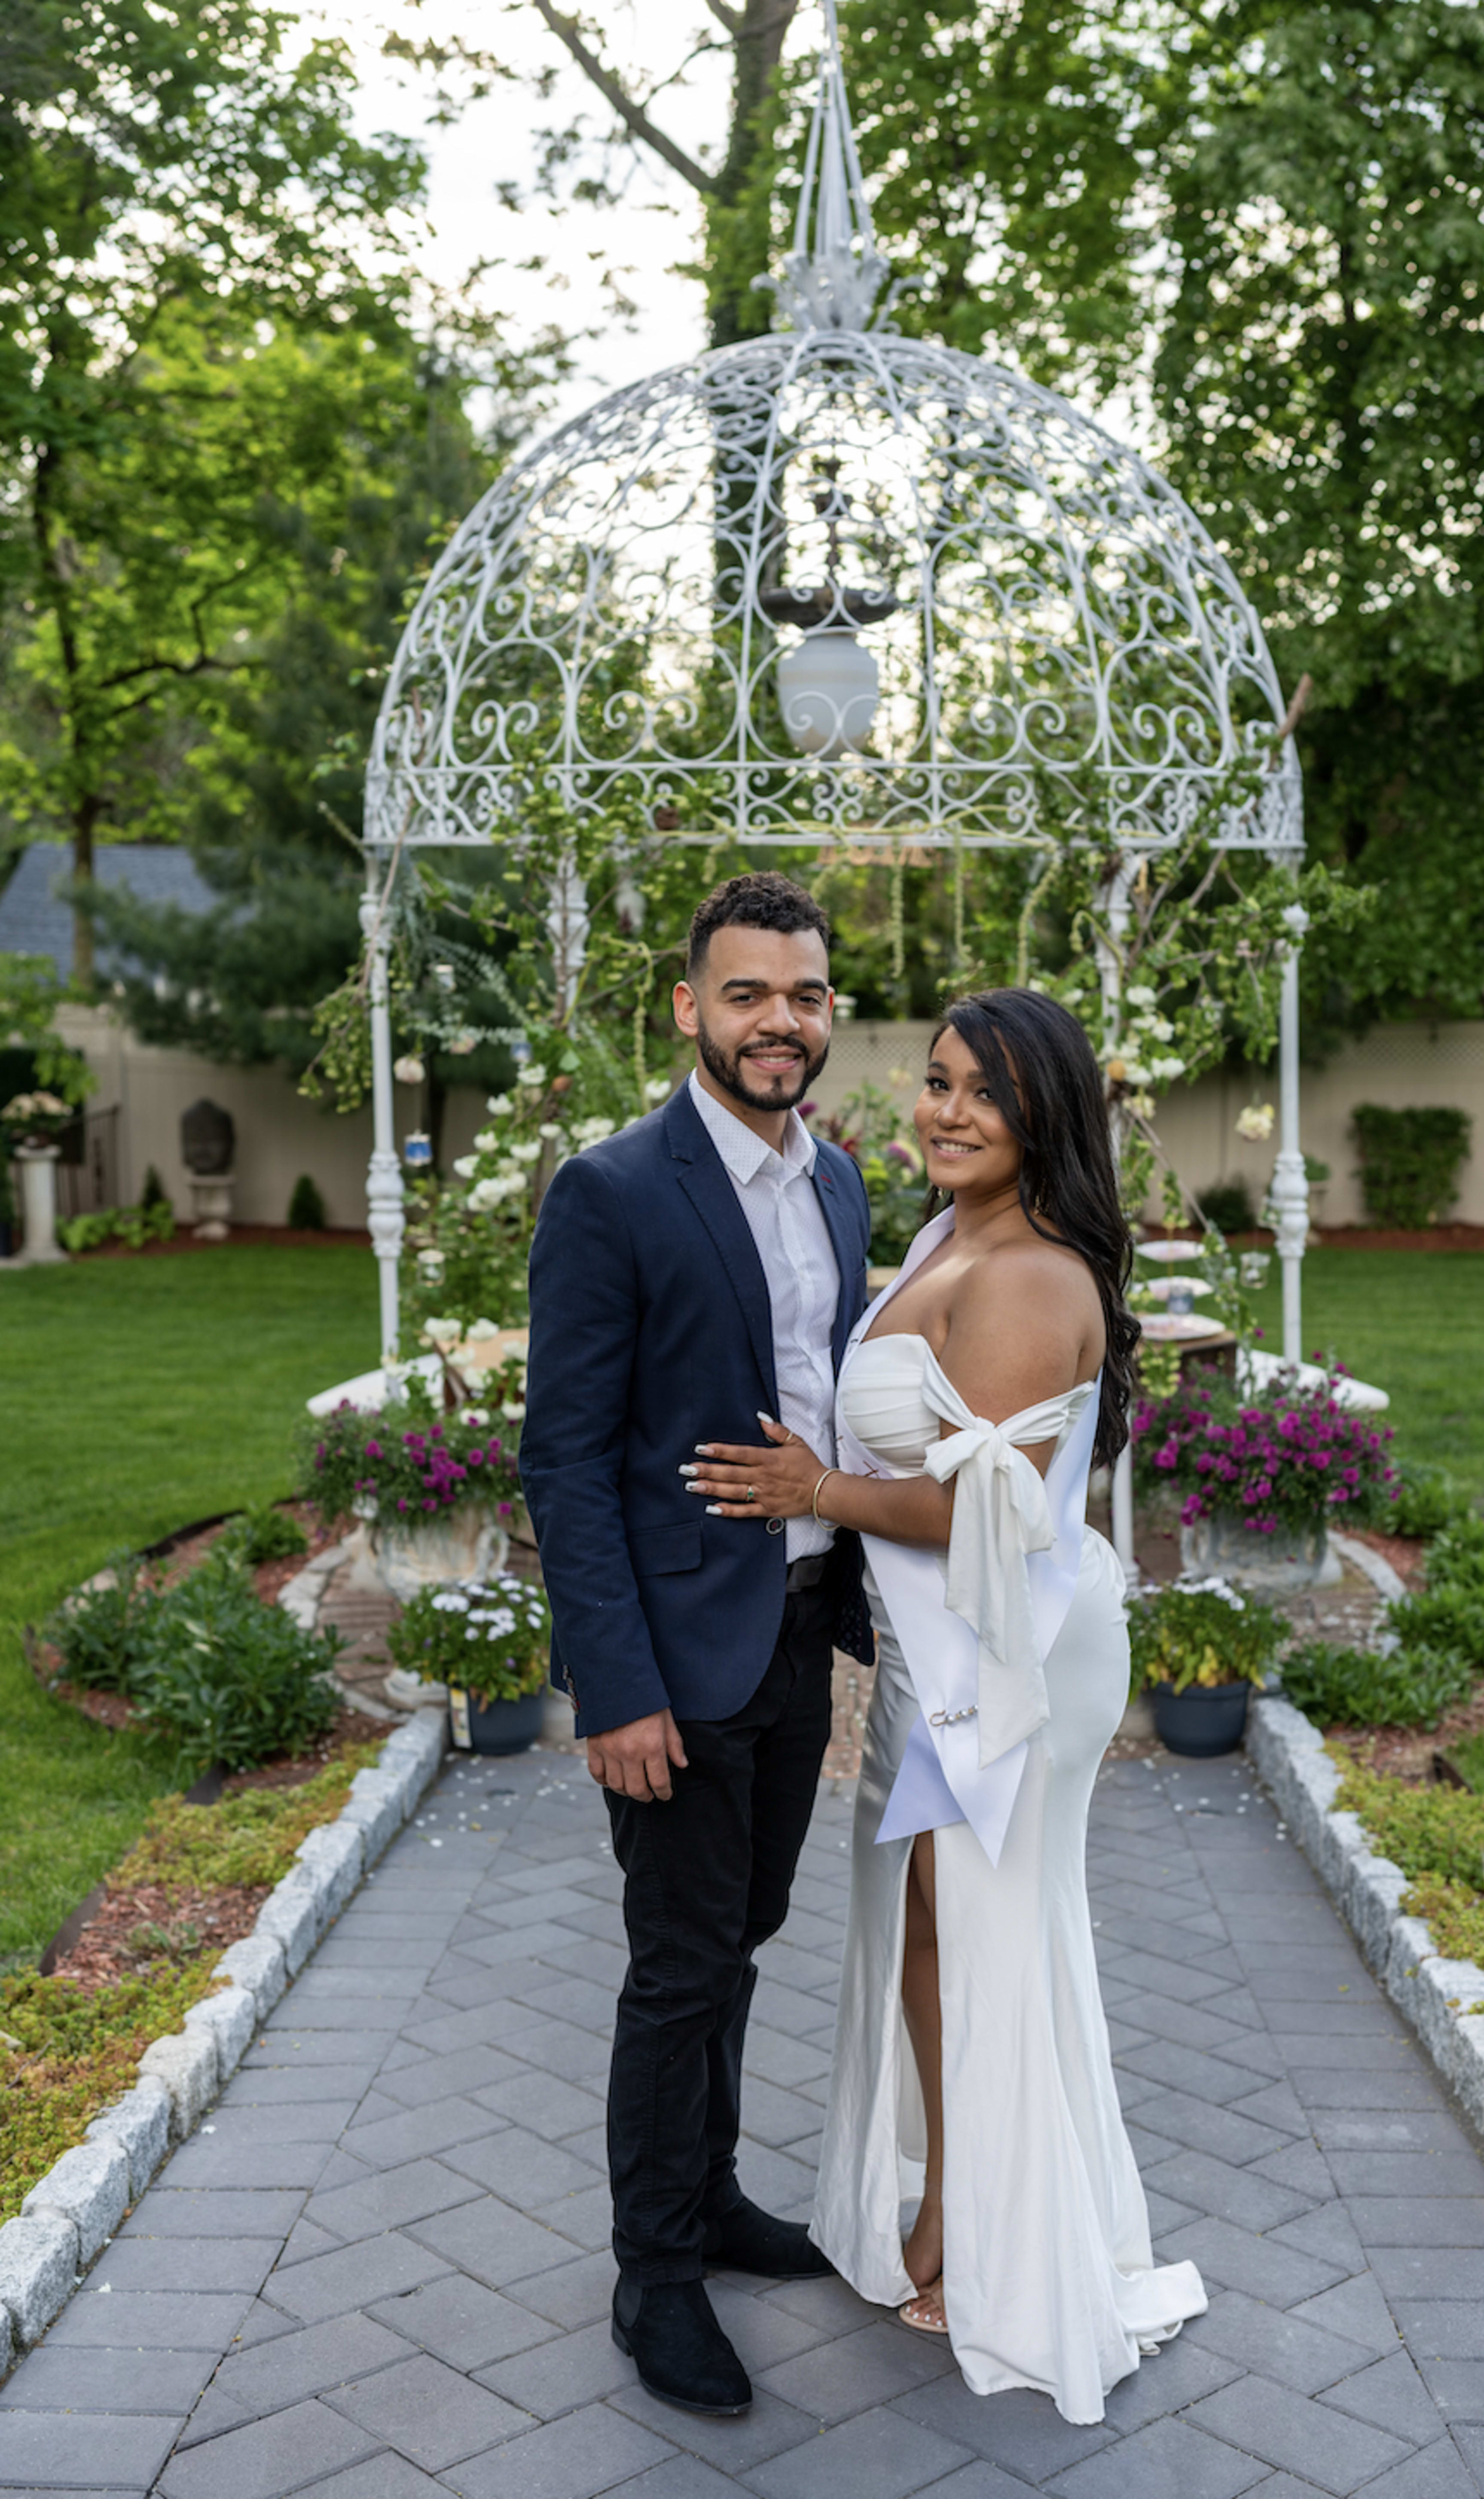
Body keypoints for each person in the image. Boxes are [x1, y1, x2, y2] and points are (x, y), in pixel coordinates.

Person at [683, 986, 1207, 2426]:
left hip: (1014, 1655)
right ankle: (955, 2202)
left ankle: (979, 2235)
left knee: (987, 1928)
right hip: (944, 1657)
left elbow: (1006, 1516)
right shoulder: (940, 1238)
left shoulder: (1036, 1277)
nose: (948, 1110)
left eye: (986, 1090)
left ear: (1047, 1114)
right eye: (935, 1080)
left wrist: (820, 1493)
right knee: (929, 1924)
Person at [520, 871, 873, 2420]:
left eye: (801, 995)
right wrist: (616, 1687)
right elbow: (566, 1459)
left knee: (747, 1932)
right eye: (746, 995)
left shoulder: (842, 1183)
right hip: (672, 1658)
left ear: (828, 1010)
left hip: (801, 1637)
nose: (776, 1022)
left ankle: (715, 2198)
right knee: (678, 1968)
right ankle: (654, 2276)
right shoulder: (614, 1190)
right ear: (688, 1009)